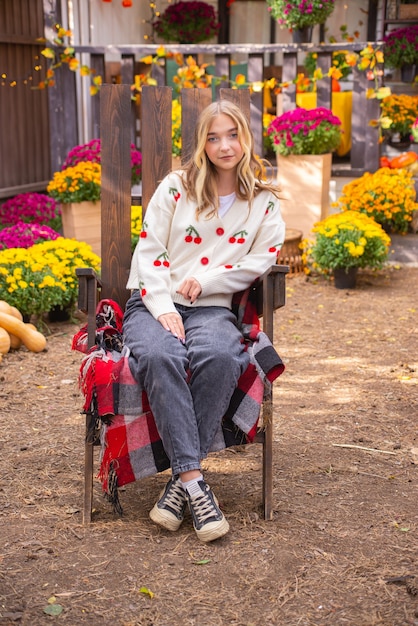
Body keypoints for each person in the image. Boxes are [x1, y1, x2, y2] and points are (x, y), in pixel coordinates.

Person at [123, 99, 285, 543]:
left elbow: (262, 258)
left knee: (218, 353)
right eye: (213, 137)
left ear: (245, 138)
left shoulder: (264, 204)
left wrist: (208, 277)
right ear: (202, 144)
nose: (224, 145)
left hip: (213, 307)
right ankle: (194, 480)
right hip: (153, 300)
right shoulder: (177, 187)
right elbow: (150, 250)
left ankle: (179, 486)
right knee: (158, 353)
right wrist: (163, 308)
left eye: (232, 134)